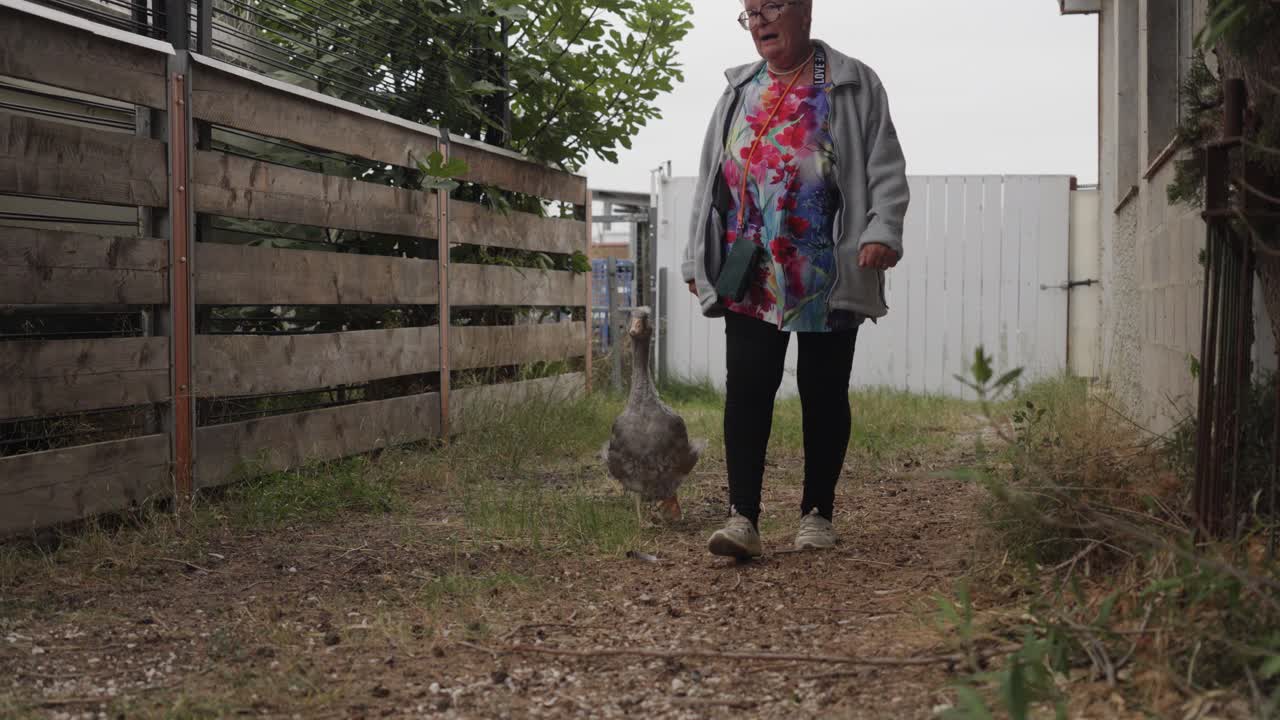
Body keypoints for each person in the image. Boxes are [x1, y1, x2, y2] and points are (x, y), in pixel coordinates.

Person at [681, 0, 909, 559]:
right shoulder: (740, 90)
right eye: (749, 13)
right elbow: (712, 179)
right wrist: (696, 259)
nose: (759, 22)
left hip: (827, 268)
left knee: (824, 391)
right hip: (751, 268)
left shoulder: (852, 83)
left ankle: (816, 514)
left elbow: (885, 168)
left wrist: (882, 230)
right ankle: (742, 520)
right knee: (748, 390)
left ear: (804, 10)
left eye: (771, 7)